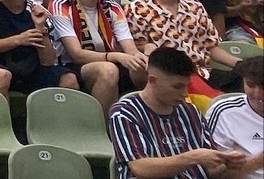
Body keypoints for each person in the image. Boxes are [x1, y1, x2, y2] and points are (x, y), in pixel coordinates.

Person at [107, 47, 251, 179]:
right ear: (152, 81)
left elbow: (210, 171)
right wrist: (193, 157)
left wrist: (228, 164)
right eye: (177, 87)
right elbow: (140, 168)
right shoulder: (125, 113)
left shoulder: (191, 111)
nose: (184, 93)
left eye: (187, 86)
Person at [56, 0, 149, 110]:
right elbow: (76, 54)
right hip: (72, 65)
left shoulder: (113, 7)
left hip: (107, 58)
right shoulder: (61, 5)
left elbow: (129, 48)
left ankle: (147, 122)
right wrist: (114, 56)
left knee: (144, 64)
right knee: (108, 70)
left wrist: (138, 56)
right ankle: (105, 129)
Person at [201, 57, 264, 176]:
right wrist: (258, 161)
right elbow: (211, 173)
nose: (257, 94)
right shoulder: (224, 112)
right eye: (250, 85)